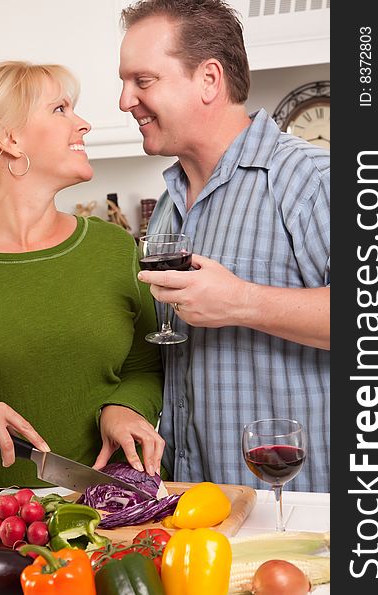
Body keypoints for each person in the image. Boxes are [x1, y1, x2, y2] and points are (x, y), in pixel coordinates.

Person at [0, 60, 164, 539]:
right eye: (60, 108)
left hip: (111, 519)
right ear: (9, 140)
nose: (83, 123)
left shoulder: (113, 248)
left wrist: (128, 407)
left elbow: (147, 364)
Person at [119, 0, 330, 493]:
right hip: (196, 509)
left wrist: (242, 300)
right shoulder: (171, 208)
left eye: (143, 80)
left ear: (209, 79)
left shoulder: (309, 181)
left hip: (294, 509)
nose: (124, 100)